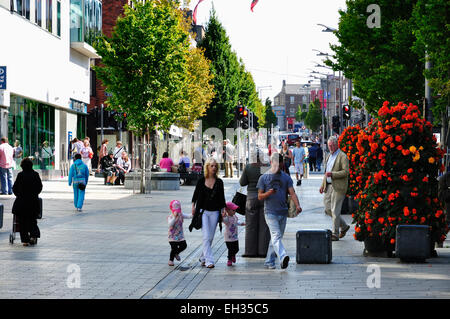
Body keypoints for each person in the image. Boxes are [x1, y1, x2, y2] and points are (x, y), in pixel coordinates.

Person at [257, 153, 302, 270]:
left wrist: (297, 205)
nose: (277, 166)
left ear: (282, 164)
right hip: (270, 212)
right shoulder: (264, 177)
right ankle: (283, 256)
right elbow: (260, 196)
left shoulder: (286, 177)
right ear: (271, 163)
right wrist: (268, 193)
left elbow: (292, 193)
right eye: (275, 164)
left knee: (276, 238)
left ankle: (269, 261)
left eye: (279, 164)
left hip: (283, 212)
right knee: (276, 235)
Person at [190, 157, 226, 269]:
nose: (214, 168)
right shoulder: (201, 181)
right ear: (207, 167)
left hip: (215, 212)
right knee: (206, 236)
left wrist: (223, 209)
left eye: (215, 166)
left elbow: (221, 197)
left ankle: (203, 257)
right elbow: (195, 195)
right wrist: (193, 206)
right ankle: (209, 261)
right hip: (203, 212)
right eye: (211, 166)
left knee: (210, 237)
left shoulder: (219, 182)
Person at [239, 150, 270, 258]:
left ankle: (250, 251)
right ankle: (263, 251)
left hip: (251, 197)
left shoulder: (248, 167)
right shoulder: (265, 167)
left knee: (250, 225)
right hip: (264, 197)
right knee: (264, 225)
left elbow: (242, 182)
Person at [319, 136, 351, 241]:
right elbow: (326, 173)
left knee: (335, 210)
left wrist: (333, 174)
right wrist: (322, 185)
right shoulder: (329, 156)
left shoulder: (343, 156)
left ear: (337, 145)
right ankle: (344, 226)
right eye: (329, 145)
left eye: (333, 145)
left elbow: (345, 172)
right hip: (328, 186)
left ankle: (335, 233)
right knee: (328, 209)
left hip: (338, 187)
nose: (331, 147)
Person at [11, 157, 42, 246]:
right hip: (33, 202)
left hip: (21, 203)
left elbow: (15, 188)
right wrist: (34, 194)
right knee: (32, 220)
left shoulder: (20, 175)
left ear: (22, 166)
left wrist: (19, 195)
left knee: (22, 222)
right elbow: (39, 187)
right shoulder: (35, 174)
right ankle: (33, 236)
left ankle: (25, 240)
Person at [167, 200, 192, 266]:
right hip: (172, 236)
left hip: (180, 236)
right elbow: (170, 224)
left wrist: (193, 214)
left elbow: (188, 216)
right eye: (175, 210)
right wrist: (174, 217)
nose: (176, 212)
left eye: (178, 210)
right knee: (174, 248)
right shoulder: (171, 217)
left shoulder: (181, 215)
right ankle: (171, 260)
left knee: (184, 245)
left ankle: (176, 253)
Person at [222, 202, 245, 266]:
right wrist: (222, 216)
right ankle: (229, 259)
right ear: (228, 210)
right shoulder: (227, 218)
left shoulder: (235, 217)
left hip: (235, 237)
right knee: (230, 249)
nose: (235, 211)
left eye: (235, 210)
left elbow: (237, 222)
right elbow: (224, 220)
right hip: (228, 238)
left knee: (236, 249)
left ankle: (233, 255)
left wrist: (242, 223)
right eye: (233, 210)